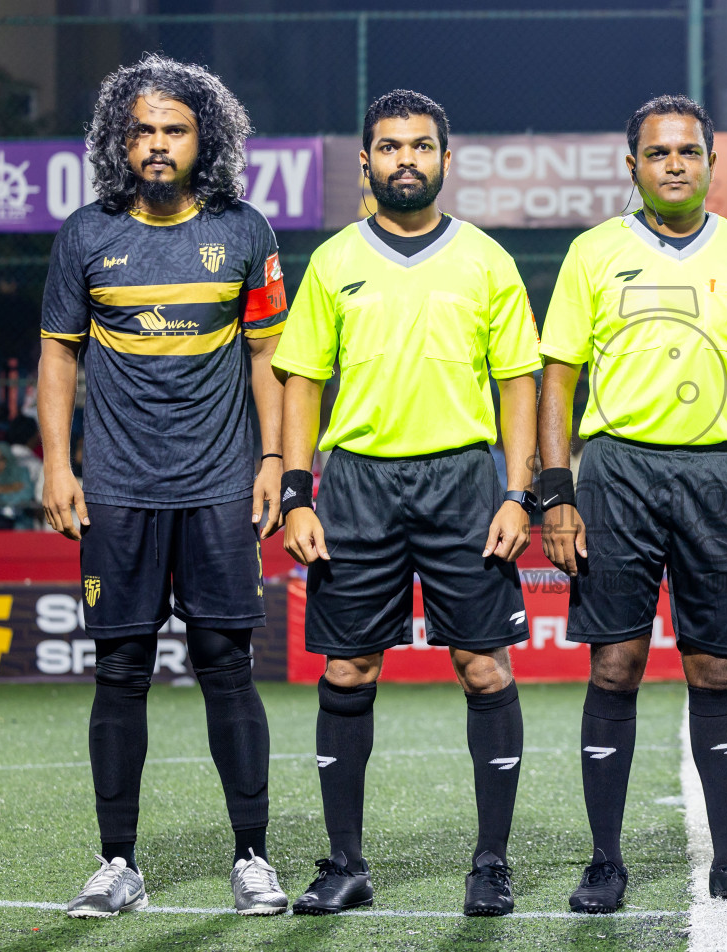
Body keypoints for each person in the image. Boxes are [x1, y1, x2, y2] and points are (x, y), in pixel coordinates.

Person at [275, 90, 542, 917]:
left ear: (445, 161)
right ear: (365, 162)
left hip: (465, 484)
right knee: (349, 667)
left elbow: (518, 383)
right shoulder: (332, 262)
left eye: (421, 147)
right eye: (389, 147)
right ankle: (346, 863)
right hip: (356, 485)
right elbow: (303, 382)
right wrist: (296, 494)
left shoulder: (486, 261)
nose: (405, 160)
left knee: (482, 666)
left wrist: (517, 492)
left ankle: (490, 863)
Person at [538, 95, 727, 914]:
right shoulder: (592, 254)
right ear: (634, 167)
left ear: (712, 164)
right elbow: (557, 378)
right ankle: (605, 862)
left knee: (712, 665)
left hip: (720, 474)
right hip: (616, 470)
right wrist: (558, 492)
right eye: (658, 154)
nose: (675, 164)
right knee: (614, 664)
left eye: (689, 151)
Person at [38, 54, 290, 918]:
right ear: (119, 139)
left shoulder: (246, 231)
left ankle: (253, 857)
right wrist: (58, 463)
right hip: (116, 487)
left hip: (220, 485)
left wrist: (272, 463)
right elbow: (57, 355)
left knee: (227, 666)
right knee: (120, 669)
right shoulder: (85, 234)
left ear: (203, 139)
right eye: (141, 129)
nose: (156, 144)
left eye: (173, 129)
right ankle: (119, 863)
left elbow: (267, 357)